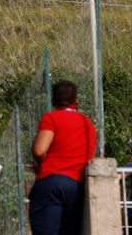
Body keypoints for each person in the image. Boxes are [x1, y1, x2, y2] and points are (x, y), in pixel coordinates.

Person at [29, 80, 96, 235]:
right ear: (76, 101)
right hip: (77, 187)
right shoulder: (88, 124)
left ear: (53, 101)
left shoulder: (51, 118)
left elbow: (39, 150)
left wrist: (44, 165)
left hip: (51, 183)